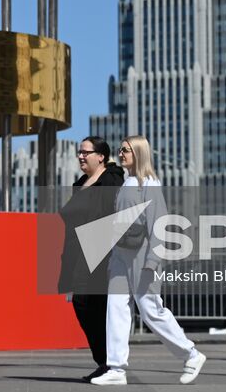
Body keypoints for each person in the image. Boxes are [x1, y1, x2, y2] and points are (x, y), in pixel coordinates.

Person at [92, 136, 206, 386]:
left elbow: (160, 225)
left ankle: (191, 354)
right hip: (122, 256)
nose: (120, 154)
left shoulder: (149, 184)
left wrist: (153, 261)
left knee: (151, 310)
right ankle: (116, 369)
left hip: (143, 257)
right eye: (121, 150)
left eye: (126, 150)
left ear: (139, 153)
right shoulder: (127, 183)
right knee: (116, 309)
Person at [58, 136, 126, 381]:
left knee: (96, 306)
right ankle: (104, 361)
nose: (80, 156)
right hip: (82, 252)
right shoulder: (82, 182)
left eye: (86, 152)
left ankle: (111, 364)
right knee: (83, 305)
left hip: (103, 253)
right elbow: (68, 214)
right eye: (79, 152)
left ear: (101, 156)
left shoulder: (112, 179)